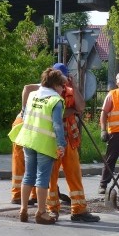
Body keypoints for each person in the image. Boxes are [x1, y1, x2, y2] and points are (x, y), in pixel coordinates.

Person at [45, 63, 100, 223]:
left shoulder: (69, 91)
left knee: (75, 175)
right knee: (51, 178)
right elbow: (58, 112)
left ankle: (79, 210)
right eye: (61, 79)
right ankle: (52, 210)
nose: (64, 83)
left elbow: (81, 106)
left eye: (66, 79)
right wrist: (71, 111)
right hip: (51, 141)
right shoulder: (46, 94)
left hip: (69, 141)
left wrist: (75, 87)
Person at [11, 68, 67, 225]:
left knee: (28, 175)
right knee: (42, 177)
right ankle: (41, 212)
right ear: (55, 84)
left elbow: (26, 114)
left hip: (28, 140)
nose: (63, 89)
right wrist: (61, 144)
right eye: (62, 85)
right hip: (44, 143)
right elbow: (57, 125)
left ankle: (23, 210)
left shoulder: (33, 95)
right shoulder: (55, 100)